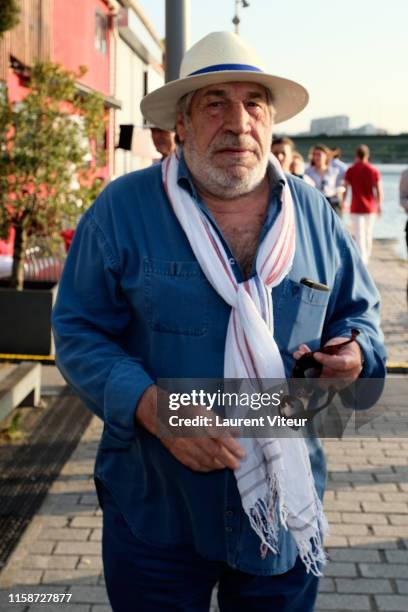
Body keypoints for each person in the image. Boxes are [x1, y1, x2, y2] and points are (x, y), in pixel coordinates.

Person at [52, 31, 386, 612]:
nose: (237, 122)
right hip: (155, 510)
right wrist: (153, 409)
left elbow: (363, 318)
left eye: (253, 102)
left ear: (270, 120)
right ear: (181, 124)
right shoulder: (121, 210)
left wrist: (355, 353)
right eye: (214, 103)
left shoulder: (314, 214)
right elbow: (78, 333)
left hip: (282, 516)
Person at [343, 145, 383, 265]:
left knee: (358, 234)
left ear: (356, 155)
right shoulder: (373, 170)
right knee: (368, 234)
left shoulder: (351, 169)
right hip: (370, 208)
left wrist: (344, 201)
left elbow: (345, 188)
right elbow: (379, 190)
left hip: (355, 207)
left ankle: (362, 261)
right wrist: (379, 205)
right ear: (367, 155)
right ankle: (366, 259)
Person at [305, 144, 342, 215]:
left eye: (319, 154)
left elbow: (341, 187)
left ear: (326, 156)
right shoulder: (307, 172)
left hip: (332, 204)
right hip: (314, 204)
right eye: (314, 154)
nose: (317, 157)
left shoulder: (335, 171)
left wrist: (339, 191)